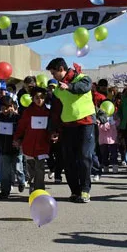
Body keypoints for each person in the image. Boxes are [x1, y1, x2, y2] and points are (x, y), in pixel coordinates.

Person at [47, 58, 95, 204]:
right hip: (68, 127)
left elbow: (84, 87)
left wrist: (69, 87)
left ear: (61, 69)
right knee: (68, 159)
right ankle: (75, 191)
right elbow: (55, 112)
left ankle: (85, 190)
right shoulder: (57, 91)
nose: (53, 76)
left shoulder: (82, 78)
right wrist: (53, 129)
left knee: (84, 156)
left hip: (85, 124)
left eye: (54, 73)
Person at [14, 87, 51, 193]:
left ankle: (39, 190)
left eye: (42, 98)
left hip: (42, 146)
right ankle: (32, 184)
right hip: (28, 145)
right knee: (31, 169)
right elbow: (21, 127)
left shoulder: (48, 113)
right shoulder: (27, 112)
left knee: (40, 169)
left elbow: (52, 128)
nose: (39, 100)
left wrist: (54, 135)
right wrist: (17, 138)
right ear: (32, 98)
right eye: (37, 98)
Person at [0, 96, 24, 199]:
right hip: (3, 149)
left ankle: (22, 181)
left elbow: (23, 132)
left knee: (18, 169)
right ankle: (5, 191)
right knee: (4, 173)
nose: (5, 110)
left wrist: (19, 141)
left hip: (16, 149)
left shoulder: (17, 118)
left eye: (7, 108)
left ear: (12, 106)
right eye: (2, 108)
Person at [97, 105, 120, 174]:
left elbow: (118, 124)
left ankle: (115, 168)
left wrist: (115, 120)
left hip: (113, 140)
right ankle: (105, 168)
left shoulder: (114, 117)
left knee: (114, 155)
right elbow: (101, 128)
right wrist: (108, 123)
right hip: (103, 141)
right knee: (104, 155)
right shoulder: (99, 118)